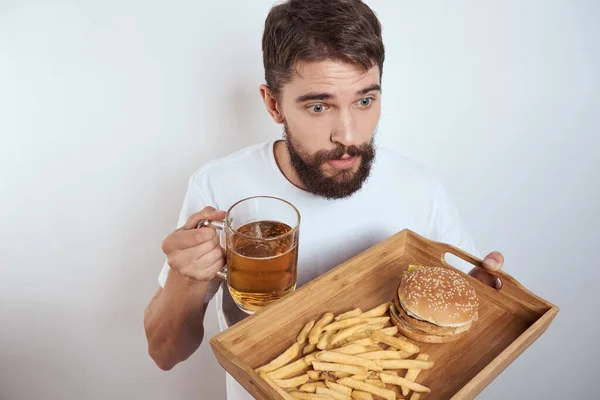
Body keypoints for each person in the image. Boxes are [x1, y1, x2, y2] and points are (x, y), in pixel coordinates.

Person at [143, 0, 506, 398]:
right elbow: (165, 354)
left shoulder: (421, 188)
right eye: (319, 106)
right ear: (273, 104)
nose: (348, 135)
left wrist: (479, 300)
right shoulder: (219, 185)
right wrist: (184, 278)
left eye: (365, 101)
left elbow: (461, 315)